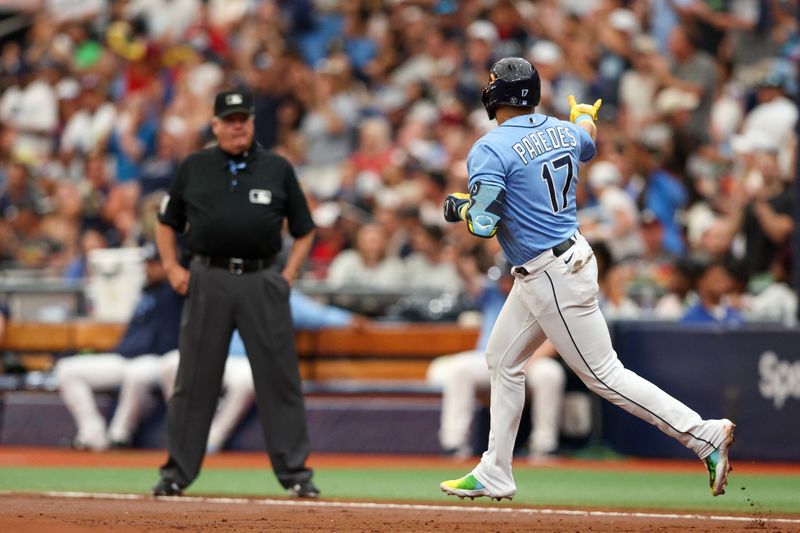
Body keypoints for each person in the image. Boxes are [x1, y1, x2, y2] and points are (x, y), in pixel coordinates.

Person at [439, 57, 735, 501]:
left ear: (497, 94)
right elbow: (587, 141)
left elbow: (482, 223)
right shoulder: (561, 127)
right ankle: (495, 469)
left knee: (604, 374)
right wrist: (583, 117)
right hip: (559, 259)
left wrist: (458, 206)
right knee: (502, 360)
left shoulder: (490, 146)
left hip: (550, 272)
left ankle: (701, 434)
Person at [154, 89, 319, 498]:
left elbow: (304, 228)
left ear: (252, 122)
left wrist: (289, 275)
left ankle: (296, 474)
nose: (237, 125)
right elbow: (165, 221)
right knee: (194, 379)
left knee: (279, 379)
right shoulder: (194, 167)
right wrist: (173, 266)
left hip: (262, 279)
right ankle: (176, 473)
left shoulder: (276, 168)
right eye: (229, 119)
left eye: (243, 117)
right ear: (215, 125)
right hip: (207, 277)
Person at [160, 290, 365, 454]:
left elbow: (316, 314)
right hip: (211, 357)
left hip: (244, 360)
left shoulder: (275, 292)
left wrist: (347, 319)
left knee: (247, 378)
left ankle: (214, 437)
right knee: (170, 364)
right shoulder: (221, 287)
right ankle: (187, 432)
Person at [427, 263, 565, 460]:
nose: (505, 284)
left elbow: (553, 342)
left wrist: (520, 365)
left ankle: (544, 445)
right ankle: (453, 443)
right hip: (489, 359)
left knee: (550, 373)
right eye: (503, 280)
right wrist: (458, 256)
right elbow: (468, 276)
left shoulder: (543, 296)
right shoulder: (493, 295)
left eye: (509, 279)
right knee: (459, 370)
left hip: (530, 361)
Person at [54, 246, 183, 451]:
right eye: (146, 263)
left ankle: (120, 435)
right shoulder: (145, 291)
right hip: (125, 358)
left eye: (153, 263)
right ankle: (92, 434)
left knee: (136, 373)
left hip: (159, 360)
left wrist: (172, 266)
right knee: (67, 370)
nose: (147, 268)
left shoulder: (178, 291)